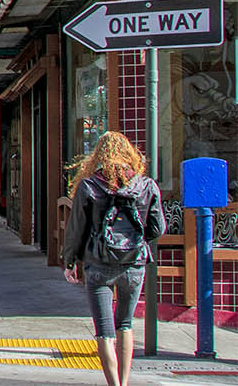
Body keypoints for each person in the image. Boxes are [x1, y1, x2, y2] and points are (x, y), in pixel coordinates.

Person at [61, 131, 164, 386]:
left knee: (104, 332)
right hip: (134, 263)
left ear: (99, 155)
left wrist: (70, 261)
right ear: (129, 153)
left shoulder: (89, 186)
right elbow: (157, 228)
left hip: (99, 264)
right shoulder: (145, 185)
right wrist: (135, 241)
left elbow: (77, 228)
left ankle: (114, 385)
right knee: (125, 324)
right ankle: (126, 382)